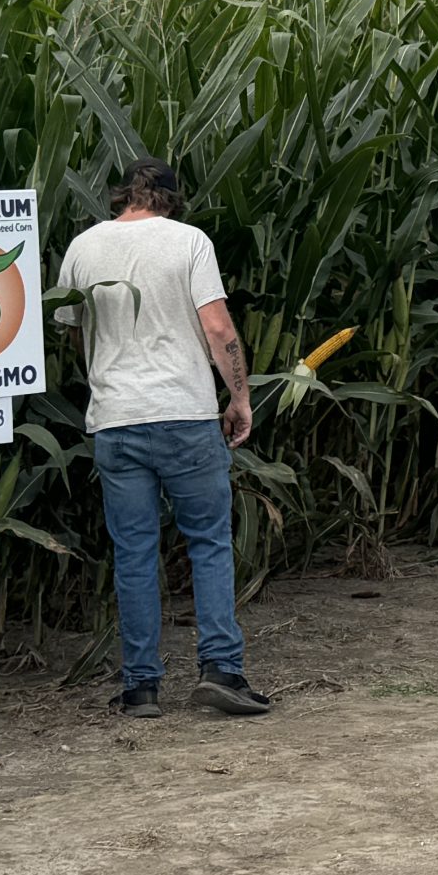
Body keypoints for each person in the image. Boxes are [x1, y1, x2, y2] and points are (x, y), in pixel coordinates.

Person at [57, 157, 269, 717]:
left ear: (123, 194)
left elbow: (78, 337)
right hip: (184, 415)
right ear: (171, 199)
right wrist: (240, 398)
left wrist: (109, 384)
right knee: (208, 542)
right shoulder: (189, 242)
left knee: (132, 556)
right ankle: (221, 670)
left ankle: (141, 687)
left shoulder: (83, 248)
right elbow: (218, 326)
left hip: (116, 421)